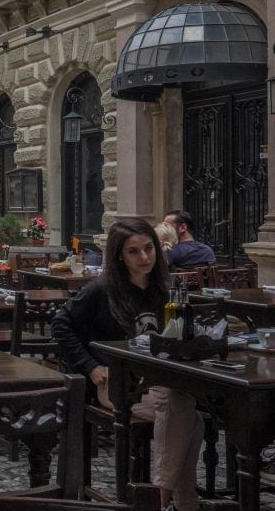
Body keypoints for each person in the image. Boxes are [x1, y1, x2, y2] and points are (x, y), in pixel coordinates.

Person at [53, 217, 203, 511]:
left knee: (188, 414)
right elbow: (61, 324)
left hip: (160, 380)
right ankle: (165, 501)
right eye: (134, 251)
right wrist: (90, 366)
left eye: (149, 248)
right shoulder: (102, 290)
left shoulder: (165, 288)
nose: (145, 257)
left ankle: (177, 502)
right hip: (115, 381)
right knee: (180, 405)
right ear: (119, 255)